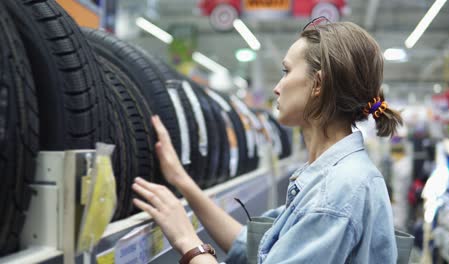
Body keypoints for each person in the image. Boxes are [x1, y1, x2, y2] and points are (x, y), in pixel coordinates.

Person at [132, 18, 403, 264]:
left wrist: (189, 243)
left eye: (286, 71)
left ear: (318, 84)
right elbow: (250, 245)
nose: (277, 87)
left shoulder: (334, 194)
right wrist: (183, 182)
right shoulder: (334, 177)